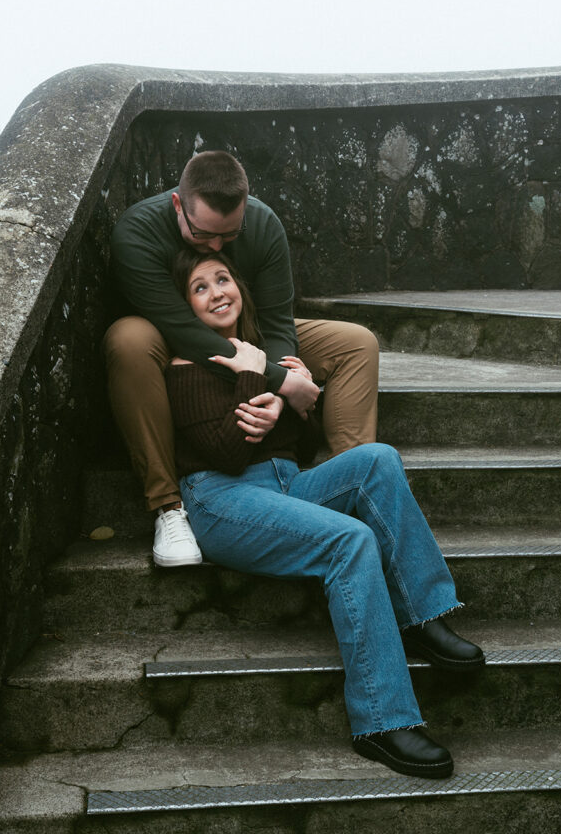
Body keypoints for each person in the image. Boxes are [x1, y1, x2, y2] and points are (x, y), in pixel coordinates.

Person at [164, 246, 485, 779]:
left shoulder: (261, 351)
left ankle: (421, 614)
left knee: (376, 460)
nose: (218, 291)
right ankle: (382, 722)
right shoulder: (185, 364)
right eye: (200, 287)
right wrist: (251, 378)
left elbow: (296, 443)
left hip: (285, 483)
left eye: (223, 279)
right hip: (223, 501)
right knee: (351, 540)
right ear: (185, 306)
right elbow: (225, 453)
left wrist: (294, 397)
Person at [103, 150, 379, 566]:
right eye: (203, 235)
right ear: (178, 205)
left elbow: (277, 321)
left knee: (356, 342)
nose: (217, 245)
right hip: (171, 332)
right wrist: (282, 384)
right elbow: (185, 334)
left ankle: (346, 486)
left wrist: (285, 382)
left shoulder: (263, 223)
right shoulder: (136, 233)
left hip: (246, 331)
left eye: (228, 236)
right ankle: (167, 507)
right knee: (127, 339)